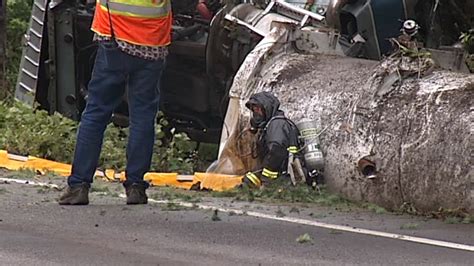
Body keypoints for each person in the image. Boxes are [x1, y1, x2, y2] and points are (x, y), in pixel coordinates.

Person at [59, 0, 172, 205]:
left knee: (96, 113)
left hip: (114, 38)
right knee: (143, 117)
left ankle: (78, 186)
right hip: (152, 41)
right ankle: (136, 186)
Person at [243, 92, 300, 188]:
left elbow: (276, 151)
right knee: (247, 182)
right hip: (279, 176)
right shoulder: (270, 125)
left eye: (257, 109)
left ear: (267, 108)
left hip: (284, 179)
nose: (255, 112)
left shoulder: (277, 124)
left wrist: (266, 179)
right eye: (253, 109)